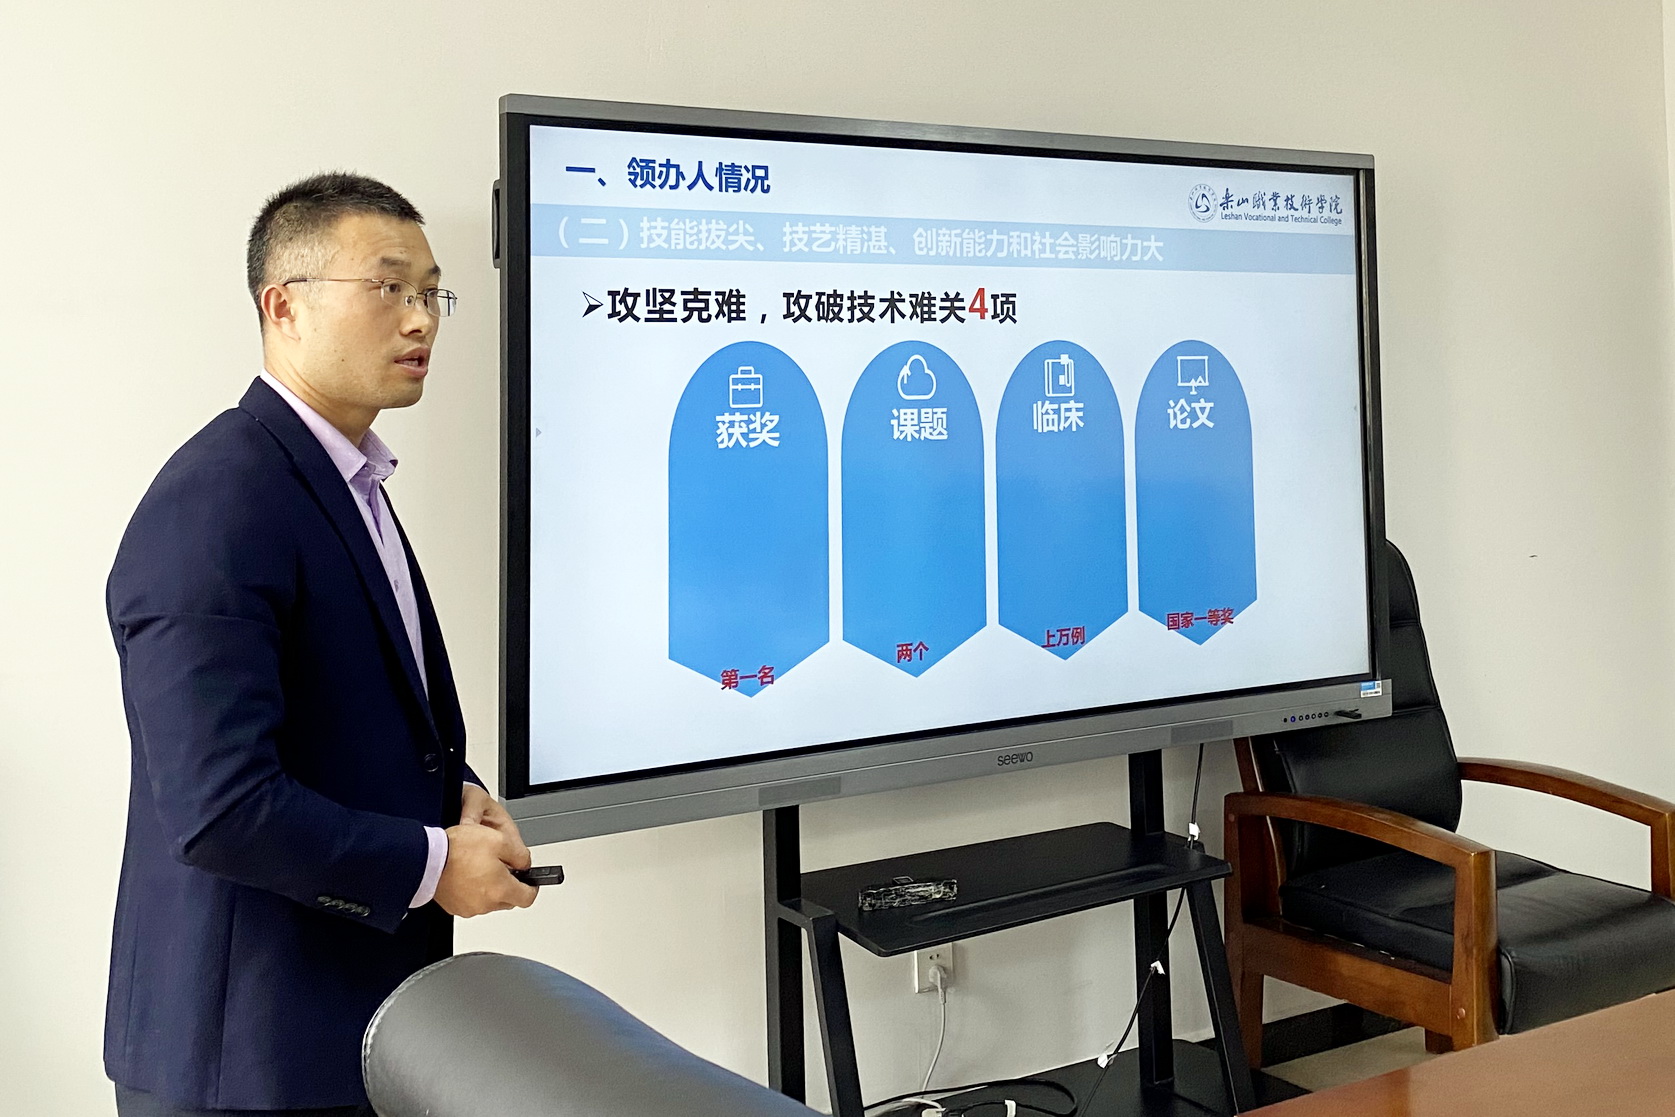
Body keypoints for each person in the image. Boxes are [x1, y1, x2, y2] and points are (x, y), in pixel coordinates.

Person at [104, 172, 537, 1117]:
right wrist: (431, 863)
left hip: (346, 1020)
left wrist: (453, 799)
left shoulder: (345, 479)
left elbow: (344, 713)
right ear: (283, 306)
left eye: (432, 292)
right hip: (246, 1057)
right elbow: (220, 807)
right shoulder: (218, 498)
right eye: (388, 287)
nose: (420, 319)